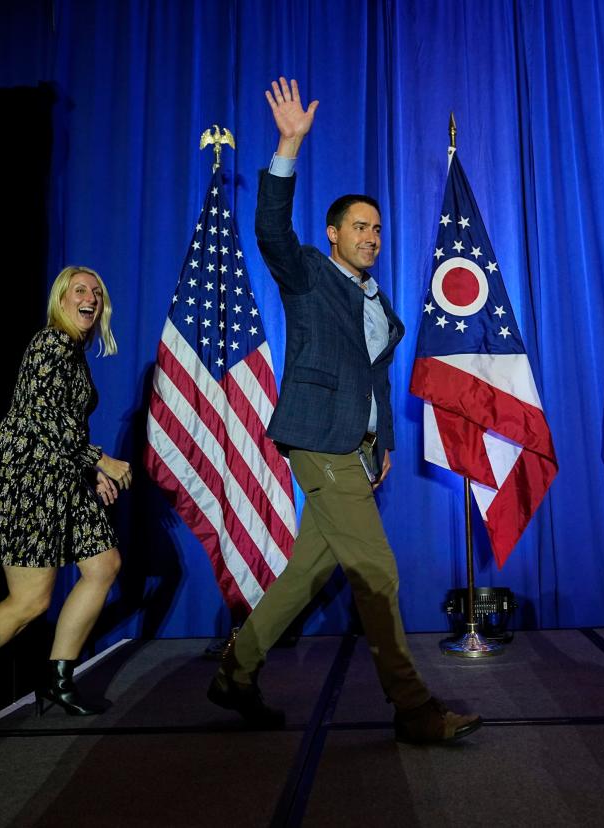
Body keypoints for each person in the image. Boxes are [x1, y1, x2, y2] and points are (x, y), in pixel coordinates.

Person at [206, 77, 481, 744]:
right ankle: (414, 709)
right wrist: (288, 147)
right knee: (377, 573)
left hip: (356, 450)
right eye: (360, 227)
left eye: (378, 229)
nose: (372, 236)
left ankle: (235, 673)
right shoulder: (308, 274)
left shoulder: (379, 305)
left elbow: (377, 380)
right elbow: (271, 229)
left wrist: (381, 441)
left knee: (310, 572)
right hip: (319, 441)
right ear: (333, 234)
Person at [0, 265, 133, 716]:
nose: (88, 296)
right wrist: (102, 461)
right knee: (29, 602)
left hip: (61, 479)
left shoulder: (72, 351)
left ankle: (57, 678)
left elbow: (64, 421)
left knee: (103, 564)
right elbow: (41, 417)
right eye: (79, 290)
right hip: (29, 482)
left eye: (96, 291)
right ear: (61, 299)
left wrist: (90, 473)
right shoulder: (51, 342)